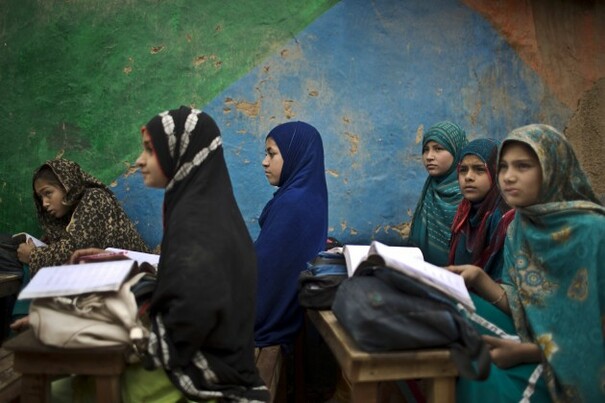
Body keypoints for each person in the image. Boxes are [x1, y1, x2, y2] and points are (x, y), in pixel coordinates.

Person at [56, 106, 270, 402]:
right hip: (220, 358)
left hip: (203, 375)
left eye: (149, 150)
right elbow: (188, 286)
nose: (139, 160)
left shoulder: (196, 225)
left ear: (181, 153)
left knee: (61, 390)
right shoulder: (207, 208)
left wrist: (90, 328)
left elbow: (185, 323)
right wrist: (124, 266)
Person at [449, 124, 605, 402]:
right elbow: (526, 305)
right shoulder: (520, 227)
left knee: (475, 369)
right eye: (503, 167)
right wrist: (478, 278)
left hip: (578, 363)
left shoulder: (594, 231)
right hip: (533, 337)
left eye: (523, 166)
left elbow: (594, 328)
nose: (508, 177)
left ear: (553, 169)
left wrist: (529, 352)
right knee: (448, 312)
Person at [254, 121, 328, 349]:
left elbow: (264, 275)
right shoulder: (310, 194)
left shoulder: (292, 203)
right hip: (294, 315)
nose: (265, 162)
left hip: (269, 317)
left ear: (295, 155)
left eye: (272, 154)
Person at [16, 158, 150, 275]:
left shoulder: (95, 199)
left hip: (140, 275)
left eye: (48, 193)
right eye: (40, 198)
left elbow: (76, 250)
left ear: (66, 185)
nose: (44, 203)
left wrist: (34, 255)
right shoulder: (65, 219)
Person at [448, 138, 513, 280]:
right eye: (463, 170)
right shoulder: (465, 210)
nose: (468, 177)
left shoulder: (503, 217)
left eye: (479, 169)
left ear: (496, 172)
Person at [408, 120, 468, 266]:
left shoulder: (469, 193)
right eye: (425, 150)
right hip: (421, 272)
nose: (429, 156)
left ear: (457, 151)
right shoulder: (430, 189)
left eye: (438, 149)